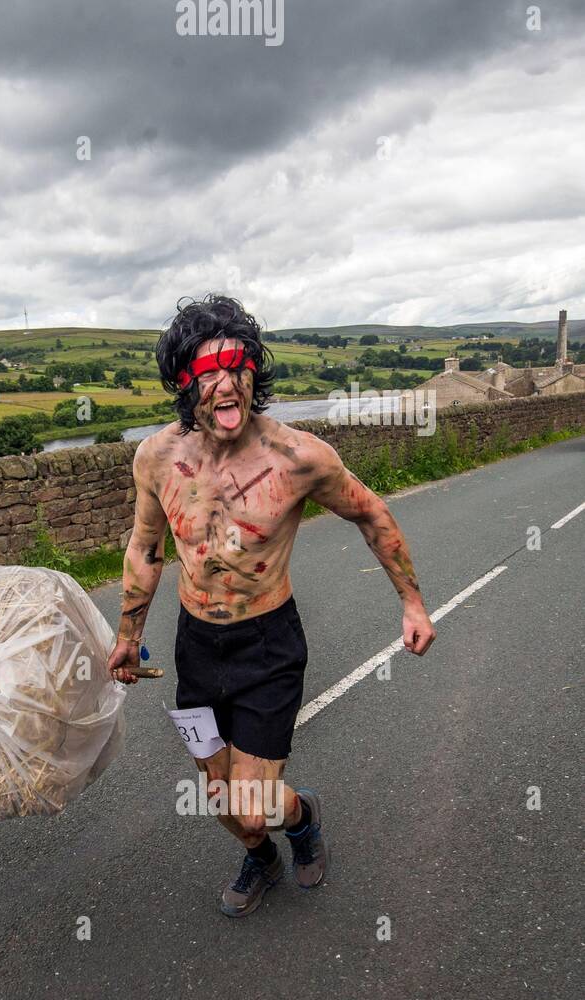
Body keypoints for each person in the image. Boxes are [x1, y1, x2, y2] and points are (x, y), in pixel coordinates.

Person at [107, 295, 436, 916]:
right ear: (183, 384)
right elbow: (146, 547)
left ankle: (302, 815)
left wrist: (412, 604)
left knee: (252, 803)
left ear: (255, 371)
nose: (226, 382)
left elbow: (371, 513)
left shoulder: (299, 458)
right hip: (196, 647)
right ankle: (261, 858)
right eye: (208, 371)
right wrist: (129, 635)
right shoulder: (156, 459)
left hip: (268, 646)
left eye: (237, 364)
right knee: (220, 801)